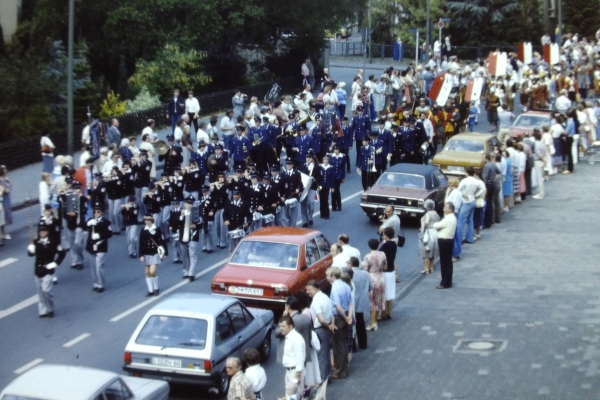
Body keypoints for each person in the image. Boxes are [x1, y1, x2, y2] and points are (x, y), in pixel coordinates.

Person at [27, 222, 66, 318]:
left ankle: (50, 308)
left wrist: (55, 263)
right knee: (40, 292)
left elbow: (62, 252)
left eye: (43, 231)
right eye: (40, 231)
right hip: (38, 269)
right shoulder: (36, 242)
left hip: (48, 269)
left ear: (47, 232)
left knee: (46, 290)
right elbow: (31, 254)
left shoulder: (53, 242)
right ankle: (43, 311)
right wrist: (30, 250)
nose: (41, 233)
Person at [327, 267, 352, 379]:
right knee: (343, 344)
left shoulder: (335, 288)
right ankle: (344, 366)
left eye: (327, 275)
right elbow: (351, 303)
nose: (326, 277)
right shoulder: (346, 285)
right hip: (346, 315)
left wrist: (345, 317)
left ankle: (340, 371)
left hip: (338, 318)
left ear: (333, 276)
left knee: (338, 346)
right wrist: (349, 316)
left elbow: (337, 307)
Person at [305, 279, 333, 382]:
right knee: (325, 353)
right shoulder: (325, 297)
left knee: (321, 355)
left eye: (309, 290)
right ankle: (328, 375)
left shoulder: (316, 302)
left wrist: (327, 326)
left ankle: (323, 377)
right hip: (326, 327)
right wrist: (330, 325)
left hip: (321, 329)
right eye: (306, 290)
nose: (307, 292)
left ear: (316, 288)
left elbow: (321, 320)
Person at [139, 213, 168, 296]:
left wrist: (165, 252)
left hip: (154, 253)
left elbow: (162, 241)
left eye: (148, 220)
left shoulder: (157, 229)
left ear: (151, 220)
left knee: (152, 271)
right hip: (146, 253)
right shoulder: (143, 230)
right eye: (145, 220)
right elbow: (141, 243)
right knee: (147, 272)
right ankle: (150, 290)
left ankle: (156, 287)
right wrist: (141, 255)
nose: (146, 221)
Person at [278, 315, 306, 399]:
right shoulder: (289, 337)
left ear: (290, 326)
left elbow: (300, 357)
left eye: (283, 326)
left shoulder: (296, 339)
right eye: (280, 326)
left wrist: (297, 375)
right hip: (290, 371)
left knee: (295, 397)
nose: (281, 328)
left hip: (294, 372)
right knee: (290, 396)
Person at [86, 206, 113, 293]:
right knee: (93, 267)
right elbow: (84, 227)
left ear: (102, 213)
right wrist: (88, 224)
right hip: (91, 247)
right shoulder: (91, 220)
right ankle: (96, 283)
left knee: (99, 267)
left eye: (98, 211)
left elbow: (109, 233)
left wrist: (99, 235)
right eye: (95, 211)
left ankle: (101, 284)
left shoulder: (106, 222)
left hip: (101, 246)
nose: (96, 213)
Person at [347, 256, 372, 350]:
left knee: (352, 325)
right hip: (362, 300)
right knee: (361, 322)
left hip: (352, 303)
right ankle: (363, 343)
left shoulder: (348, 274)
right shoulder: (365, 273)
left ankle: (353, 346)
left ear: (350, 264)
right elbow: (371, 286)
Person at [362, 239, 386, 330]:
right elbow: (385, 266)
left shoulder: (368, 257)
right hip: (381, 278)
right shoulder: (382, 254)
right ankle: (375, 320)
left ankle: (373, 323)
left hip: (372, 279)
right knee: (379, 299)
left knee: (372, 302)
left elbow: (365, 270)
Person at [433, 202, 457, 289]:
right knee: (448, 263)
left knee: (444, 263)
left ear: (450, 210)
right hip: (448, 241)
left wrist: (436, 223)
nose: (444, 209)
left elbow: (436, 225)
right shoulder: (451, 217)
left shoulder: (448, 219)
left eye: (445, 207)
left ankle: (445, 282)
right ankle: (447, 281)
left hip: (445, 241)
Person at [178, 196, 202, 280]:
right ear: (184, 204)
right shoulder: (180, 212)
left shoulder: (196, 212)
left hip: (193, 236)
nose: (190, 205)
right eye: (188, 203)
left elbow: (201, 223)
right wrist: (181, 217)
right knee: (184, 255)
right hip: (183, 237)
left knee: (193, 255)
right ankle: (186, 271)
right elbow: (175, 224)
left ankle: (192, 273)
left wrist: (195, 225)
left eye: (191, 203)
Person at [379, 228, 397, 320]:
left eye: (383, 234)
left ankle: (383, 312)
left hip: (385, 271)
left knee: (385, 292)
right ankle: (389, 312)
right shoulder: (394, 244)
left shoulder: (385, 246)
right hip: (392, 270)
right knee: (390, 291)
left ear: (386, 235)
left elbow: (380, 256)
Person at [418, 199, 440, 275]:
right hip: (434, 233)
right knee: (433, 250)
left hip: (428, 233)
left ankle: (426, 268)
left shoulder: (427, 214)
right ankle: (431, 267)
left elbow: (426, 222)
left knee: (425, 251)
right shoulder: (436, 214)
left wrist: (423, 229)